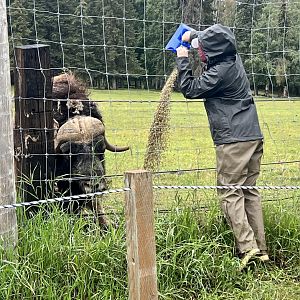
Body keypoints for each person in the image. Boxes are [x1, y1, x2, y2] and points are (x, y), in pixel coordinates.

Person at [175, 24, 269, 268]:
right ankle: (261, 248)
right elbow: (215, 40)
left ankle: (247, 250)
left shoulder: (220, 73)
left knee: (229, 190)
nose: (200, 52)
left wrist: (182, 57)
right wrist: (193, 36)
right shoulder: (232, 58)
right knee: (249, 190)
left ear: (215, 51)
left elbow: (190, 89)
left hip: (234, 139)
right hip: (252, 135)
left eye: (203, 49)